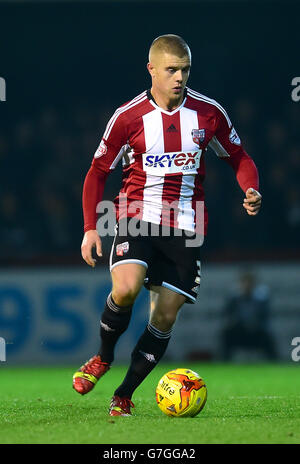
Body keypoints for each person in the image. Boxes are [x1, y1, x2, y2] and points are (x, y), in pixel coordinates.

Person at [72, 34, 262, 416]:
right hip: (136, 217)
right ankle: (102, 357)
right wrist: (90, 227)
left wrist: (251, 187)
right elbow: (97, 171)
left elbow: (239, 155)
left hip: (185, 227)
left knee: (164, 315)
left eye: (185, 69)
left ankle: (124, 394)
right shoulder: (128, 116)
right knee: (125, 290)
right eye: (172, 70)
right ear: (152, 70)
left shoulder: (208, 113)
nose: (179, 77)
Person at [221, 271, 277, 361]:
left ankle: (274, 363)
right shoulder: (234, 299)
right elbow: (228, 315)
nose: (247, 286)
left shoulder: (261, 299)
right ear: (240, 284)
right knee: (226, 334)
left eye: (250, 283)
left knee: (268, 337)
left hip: (257, 331)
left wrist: (255, 325)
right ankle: (224, 361)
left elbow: (265, 317)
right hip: (239, 331)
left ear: (254, 285)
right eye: (244, 283)